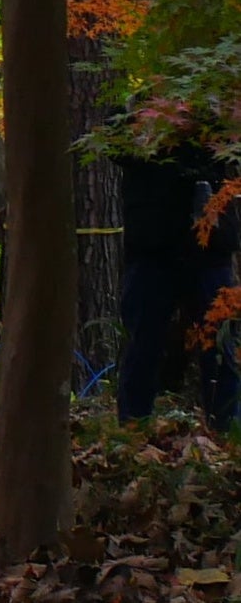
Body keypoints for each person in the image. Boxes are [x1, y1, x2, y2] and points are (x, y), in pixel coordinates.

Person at [116, 134, 237, 429]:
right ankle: (133, 430)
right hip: (153, 248)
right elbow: (116, 149)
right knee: (144, 345)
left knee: (222, 347)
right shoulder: (135, 108)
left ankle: (227, 431)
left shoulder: (220, 105)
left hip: (212, 250)